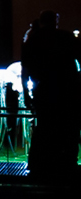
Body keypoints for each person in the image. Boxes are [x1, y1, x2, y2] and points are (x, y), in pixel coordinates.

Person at [22, 11, 80, 184]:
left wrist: (27, 94)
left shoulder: (33, 40)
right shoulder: (66, 37)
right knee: (68, 130)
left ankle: (41, 166)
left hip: (45, 91)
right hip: (67, 90)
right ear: (55, 21)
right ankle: (67, 166)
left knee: (44, 129)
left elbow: (25, 71)